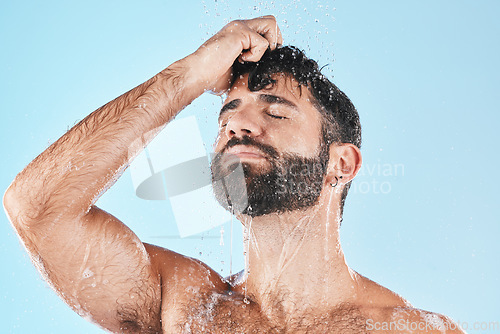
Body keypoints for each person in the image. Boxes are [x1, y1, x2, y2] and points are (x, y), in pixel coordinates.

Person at [3, 16, 464, 333]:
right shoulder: (183, 306)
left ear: (341, 164)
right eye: (227, 118)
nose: (238, 125)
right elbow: (37, 209)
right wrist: (193, 73)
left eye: (277, 113)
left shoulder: (413, 329)